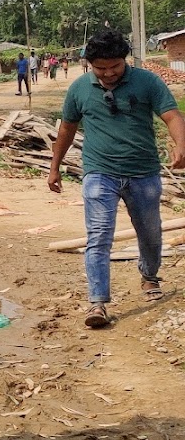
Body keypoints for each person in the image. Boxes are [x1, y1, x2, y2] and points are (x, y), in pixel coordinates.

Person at [48, 29, 185, 328]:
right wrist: (54, 167)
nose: (109, 73)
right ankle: (97, 302)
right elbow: (67, 129)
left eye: (115, 66)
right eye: (101, 68)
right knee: (99, 235)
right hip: (99, 172)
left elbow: (172, 115)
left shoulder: (147, 82)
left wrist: (181, 145)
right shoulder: (79, 89)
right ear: (89, 64)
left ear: (125, 60)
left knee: (150, 232)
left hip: (143, 172)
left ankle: (149, 276)